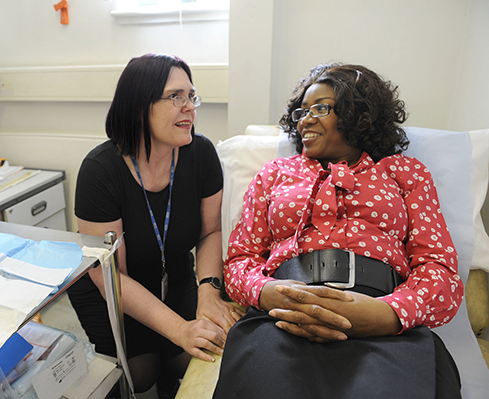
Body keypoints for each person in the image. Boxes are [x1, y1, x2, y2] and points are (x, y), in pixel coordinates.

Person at [213, 63, 464, 399]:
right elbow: (240, 258)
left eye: (320, 108)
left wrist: (389, 314)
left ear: (358, 115)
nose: (305, 119)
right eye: (302, 111)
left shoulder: (405, 173)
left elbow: (440, 271)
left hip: (384, 323)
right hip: (282, 319)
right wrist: (266, 293)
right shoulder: (275, 173)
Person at [67, 53, 243, 397]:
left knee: (200, 356)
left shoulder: (201, 154)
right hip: (111, 288)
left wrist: (208, 290)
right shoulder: (99, 171)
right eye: (176, 97)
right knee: (140, 374)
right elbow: (109, 275)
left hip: (173, 274)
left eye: (192, 96)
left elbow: (210, 232)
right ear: (138, 106)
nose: (189, 106)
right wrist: (179, 330)